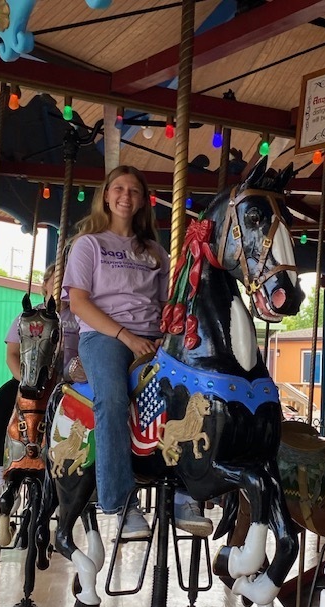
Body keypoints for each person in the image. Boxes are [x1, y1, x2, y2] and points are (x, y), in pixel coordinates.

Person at [62, 165, 213, 539]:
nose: (125, 195)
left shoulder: (156, 252)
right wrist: (126, 337)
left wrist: (169, 333)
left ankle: (183, 493)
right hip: (105, 336)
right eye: (118, 188)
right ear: (106, 195)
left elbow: (166, 304)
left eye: (133, 190)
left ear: (143, 200)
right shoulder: (89, 244)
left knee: (189, 395)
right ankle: (121, 503)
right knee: (112, 399)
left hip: (152, 338)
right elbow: (79, 302)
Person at [0, 264, 82, 492]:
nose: (60, 287)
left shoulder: (81, 314)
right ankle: (1, 477)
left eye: (66, 282)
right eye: (55, 281)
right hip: (29, 381)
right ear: (45, 284)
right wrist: (26, 381)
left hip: (68, 383)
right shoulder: (29, 316)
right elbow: (12, 355)